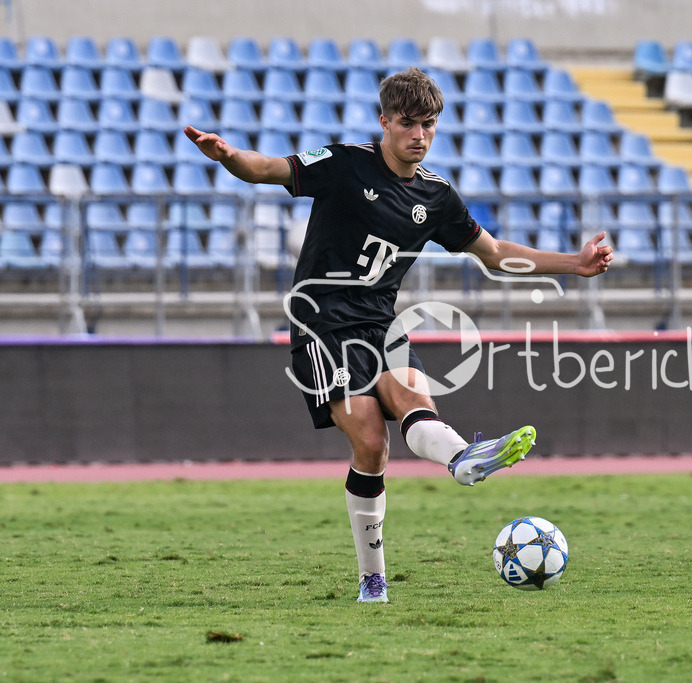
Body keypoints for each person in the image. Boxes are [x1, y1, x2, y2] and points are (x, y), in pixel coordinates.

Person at [185, 66, 613, 604]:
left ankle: (462, 459)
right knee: (370, 440)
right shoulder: (344, 165)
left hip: (380, 322)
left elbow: (496, 255)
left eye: (429, 125)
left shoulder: (436, 196)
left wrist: (573, 264)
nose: (420, 135)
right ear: (384, 121)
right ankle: (373, 580)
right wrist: (227, 157)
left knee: (414, 398)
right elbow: (267, 169)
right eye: (409, 124)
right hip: (321, 321)